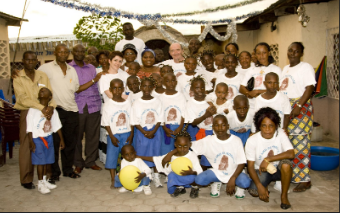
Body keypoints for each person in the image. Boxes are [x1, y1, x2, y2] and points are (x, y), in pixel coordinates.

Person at [13, 51, 56, 189]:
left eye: (33, 60)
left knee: (46, 143)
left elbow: (51, 94)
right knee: (27, 145)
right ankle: (26, 179)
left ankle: (46, 177)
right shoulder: (18, 77)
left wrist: (52, 108)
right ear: (23, 61)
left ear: (37, 61)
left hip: (45, 112)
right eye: (27, 60)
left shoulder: (42, 75)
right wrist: (40, 107)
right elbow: (21, 98)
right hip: (28, 112)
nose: (30, 63)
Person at [38, 44, 80, 180]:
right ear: (55, 53)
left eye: (65, 52)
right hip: (55, 111)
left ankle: (68, 169)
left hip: (72, 110)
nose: (63, 54)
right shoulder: (45, 68)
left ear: (68, 54)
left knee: (70, 143)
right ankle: (54, 173)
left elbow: (75, 88)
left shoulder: (72, 69)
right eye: (60, 52)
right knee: (55, 143)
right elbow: (40, 89)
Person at [280, 42, 316, 192]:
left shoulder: (305, 67)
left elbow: (310, 88)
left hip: (300, 106)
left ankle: (304, 180)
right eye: (290, 50)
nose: (292, 53)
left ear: (301, 54)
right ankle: (291, 175)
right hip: (286, 107)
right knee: (288, 143)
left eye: (296, 51)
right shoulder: (285, 68)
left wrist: (299, 106)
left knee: (300, 143)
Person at [245, 107, 294, 209]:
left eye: (271, 126)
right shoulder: (252, 140)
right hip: (261, 170)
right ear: (259, 126)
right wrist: (259, 186)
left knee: (286, 164)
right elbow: (250, 167)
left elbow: (291, 153)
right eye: (264, 126)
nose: (267, 130)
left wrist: (268, 159)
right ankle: (265, 184)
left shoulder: (280, 133)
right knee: (254, 192)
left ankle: (284, 195)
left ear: (276, 126)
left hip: (279, 169)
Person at [193, 115, 251, 199]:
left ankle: (239, 186)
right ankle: (217, 181)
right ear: (213, 127)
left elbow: (242, 162)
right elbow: (189, 145)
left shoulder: (236, 140)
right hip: (218, 172)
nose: (220, 128)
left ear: (228, 126)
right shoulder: (208, 140)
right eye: (216, 125)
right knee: (199, 180)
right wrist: (172, 152)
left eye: (223, 125)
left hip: (234, 172)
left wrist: (233, 178)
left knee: (245, 183)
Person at [139, 125, 202, 198]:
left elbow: (199, 170)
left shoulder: (192, 155)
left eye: (185, 146)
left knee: (197, 177)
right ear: (175, 144)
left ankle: (195, 188)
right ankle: (180, 187)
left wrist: (191, 172)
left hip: (190, 177)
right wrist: (139, 157)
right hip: (179, 177)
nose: (182, 149)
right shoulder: (172, 155)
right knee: (171, 180)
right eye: (179, 146)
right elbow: (156, 159)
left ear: (190, 145)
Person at [69, 44, 103, 175]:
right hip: (77, 106)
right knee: (77, 137)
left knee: (93, 136)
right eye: (77, 51)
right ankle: (78, 163)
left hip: (94, 105)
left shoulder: (92, 67)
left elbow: (97, 85)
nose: (79, 53)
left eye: (82, 51)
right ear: (72, 52)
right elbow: (75, 88)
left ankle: (90, 161)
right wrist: (94, 80)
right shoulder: (69, 68)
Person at [27, 87, 64, 194]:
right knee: (40, 162)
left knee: (47, 161)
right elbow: (29, 128)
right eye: (40, 91)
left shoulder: (53, 111)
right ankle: (40, 184)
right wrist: (31, 141)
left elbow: (57, 126)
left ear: (50, 97)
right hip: (38, 138)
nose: (41, 92)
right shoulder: (33, 110)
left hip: (49, 137)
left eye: (44, 91)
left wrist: (62, 140)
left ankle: (44, 180)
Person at [130, 77, 164, 188]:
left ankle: (156, 176)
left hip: (155, 131)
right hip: (142, 132)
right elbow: (134, 120)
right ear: (140, 87)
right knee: (142, 153)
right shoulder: (136, 103)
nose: (147, 88)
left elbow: (160, 118)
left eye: (150, 86)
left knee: (156, 154)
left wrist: (153, 130)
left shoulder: (157, 101)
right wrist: (144, 132)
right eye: (144, 86)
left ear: (153, 87)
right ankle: (144, 178)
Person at [101, 79, 134, 189]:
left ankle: (127, 176)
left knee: (128, 156)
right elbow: (106, 123)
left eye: (120, 88)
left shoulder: (127, 103)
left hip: (126, 133)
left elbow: (132, 119)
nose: (117, 90)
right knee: (112, 157)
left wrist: (131, 134)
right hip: (114, 135)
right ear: (110, 90)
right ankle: (113, 178)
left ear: (123, 89)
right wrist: (111, 136)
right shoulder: (108, 104)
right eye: (114, 88)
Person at [184, 76, 216, 170]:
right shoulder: (190, 103)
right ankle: (202, 174)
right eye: (197, 88)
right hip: (204, 131)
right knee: (204, 155)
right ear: (192, 89)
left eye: (202, 87)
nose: (200, 90)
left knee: (213, 154)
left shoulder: (210, 99)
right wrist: (206, 115)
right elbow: (193, 123)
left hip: (216, 130)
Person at [240, 42, 282, 109]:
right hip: (253, 105)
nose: (261, 56)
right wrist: (248, 93)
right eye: (258, 53)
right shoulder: (252, 70)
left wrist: (257, 92)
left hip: (270, 105)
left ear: (269, 53)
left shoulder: (276, 69)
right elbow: (241, 88)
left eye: (264, 53)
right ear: (255, 54)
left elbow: (278, 88)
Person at [159, 73, 186, 155]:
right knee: (166, 151)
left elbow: (184, 113)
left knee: (179, 151)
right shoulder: (161, 98)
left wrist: (180, 127)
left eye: (173, 81)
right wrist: (164, 128)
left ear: (176, 82)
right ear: (163, 83)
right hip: (166, 128)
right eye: (167, 81)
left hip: (179, 126)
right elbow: (160, 115)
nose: (171, 83)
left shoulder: (181, 96)